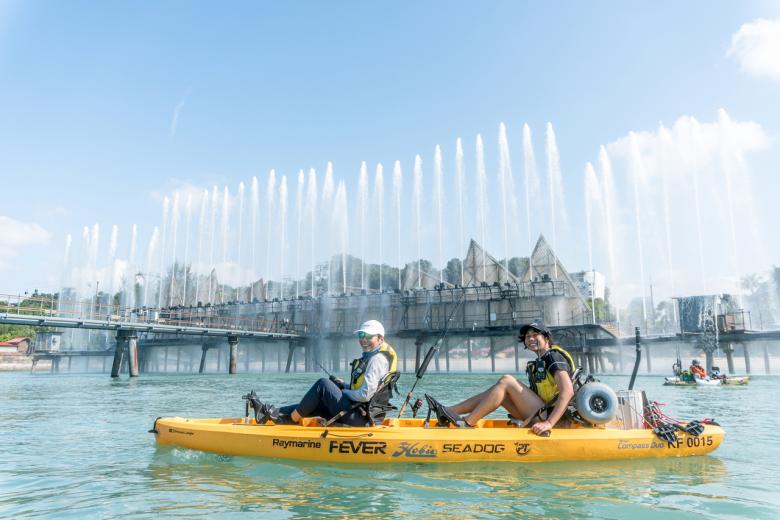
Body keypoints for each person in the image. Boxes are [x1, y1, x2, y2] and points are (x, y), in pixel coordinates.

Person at [430, 321, 575, 436]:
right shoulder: (542, 359)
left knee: (506, 381)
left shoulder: (553, 357)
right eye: (527, 336)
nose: (530, 338)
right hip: (540, 412)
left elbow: (567, 392)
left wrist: (549, 423)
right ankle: (449, 411)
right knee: (500, 393)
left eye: (535, 334)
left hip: (553, 418)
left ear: (546, 338)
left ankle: (467, 423)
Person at [250, 320, 398, 426]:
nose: (363, 340)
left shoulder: (376, 360)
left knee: (323, 385)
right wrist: (343, 385)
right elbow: (367, 390)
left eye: (368, 336)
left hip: (361, 418)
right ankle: (270, 413)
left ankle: (289, 419)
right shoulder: (377, 357)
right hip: (360, 414)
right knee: (318, 402)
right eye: (361, 336)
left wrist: (343, 391)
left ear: (380, 339)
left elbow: (365, 395)